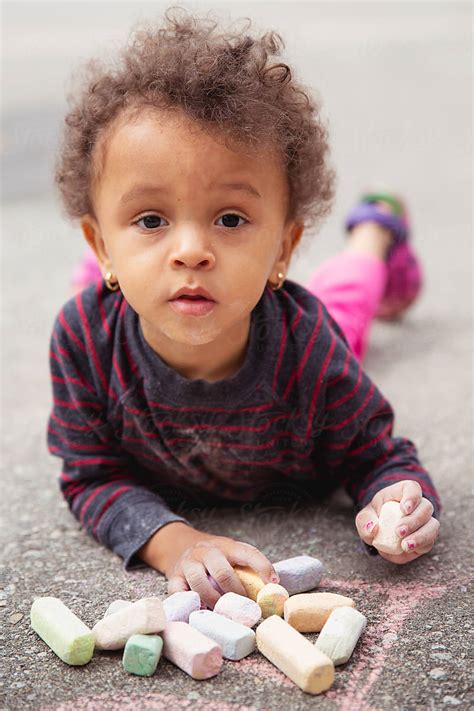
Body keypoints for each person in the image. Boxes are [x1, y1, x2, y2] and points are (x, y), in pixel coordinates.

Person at [47, 8, 440, 609]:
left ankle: (375, 231)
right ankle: (120, 270)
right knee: (127, 286)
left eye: (230, 219)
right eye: (150, 219)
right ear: (100, 241)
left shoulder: (309, 349)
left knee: (347, 304)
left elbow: (379, 455)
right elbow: (91, 475)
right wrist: (174, 541)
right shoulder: (84, 341)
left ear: (283, 246)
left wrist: (396, 502)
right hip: (140, 286)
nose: (192, 251)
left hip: (291, 319)